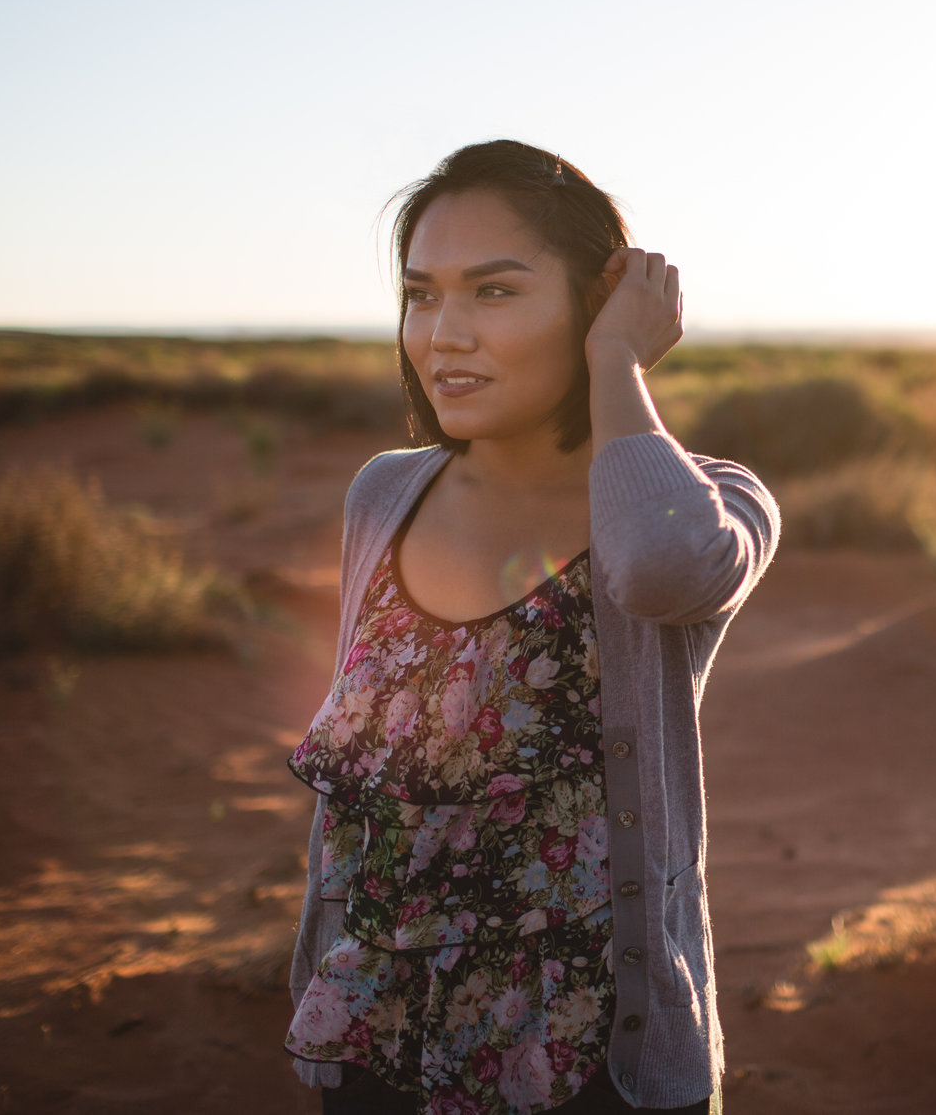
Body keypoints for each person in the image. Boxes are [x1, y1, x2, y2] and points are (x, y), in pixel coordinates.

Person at [282, 140, 780, 1114]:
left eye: (495, 292)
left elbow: (660, 567)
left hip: (584, 1054)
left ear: (596, 303)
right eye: (422, 294)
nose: (444, 334)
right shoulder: (385, 493)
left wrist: (615, 359)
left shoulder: (710, 500)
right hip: (376, 1030)